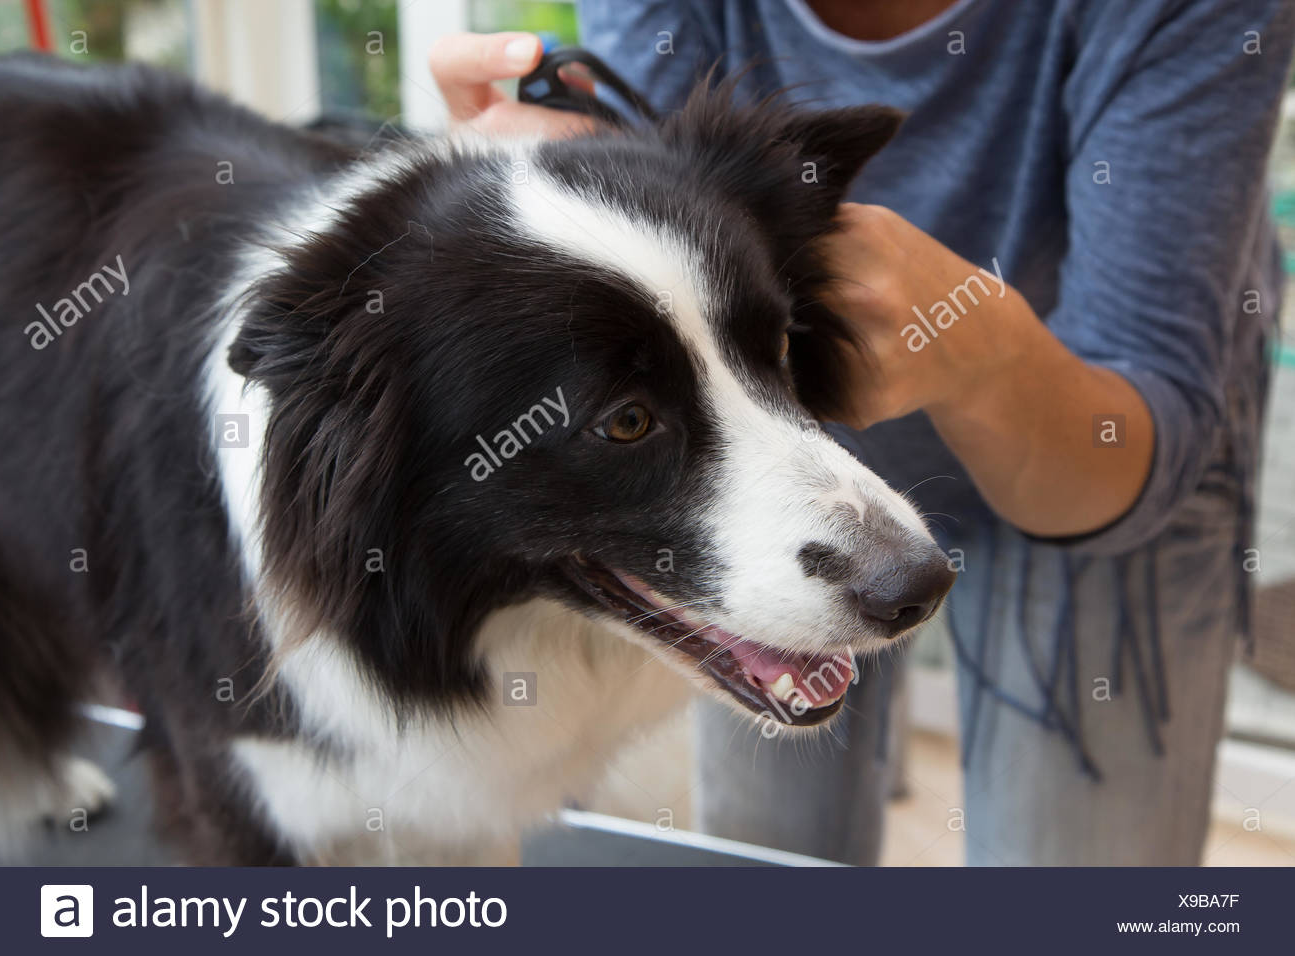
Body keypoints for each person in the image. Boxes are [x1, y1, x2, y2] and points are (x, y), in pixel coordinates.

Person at [429, 0, 1295, 865]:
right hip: (798, 424)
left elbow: (1123, 433)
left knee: (1080, 885)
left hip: (1103, 432)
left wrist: (980, 351)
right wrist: (527, 202)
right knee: (771, 864)